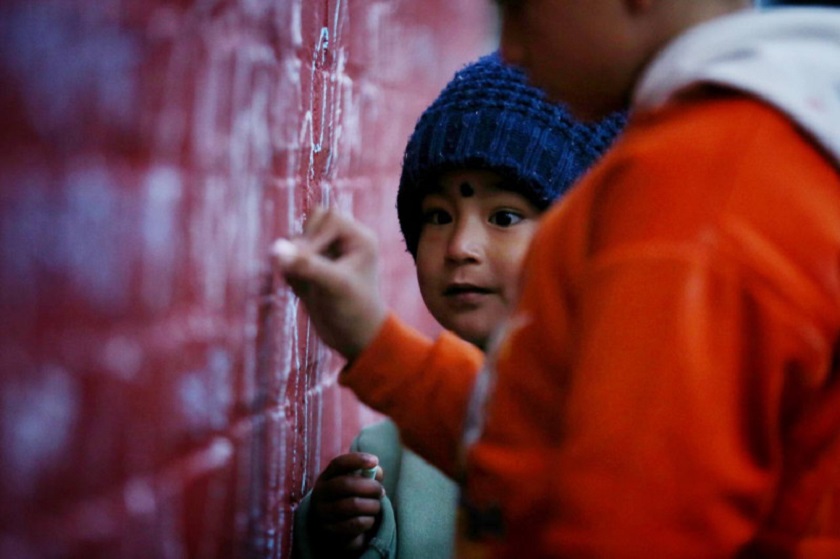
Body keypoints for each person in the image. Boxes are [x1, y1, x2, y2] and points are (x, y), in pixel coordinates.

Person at [275, 1, 840, 556]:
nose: (513, 47)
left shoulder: (694, 190)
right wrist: (374, 342)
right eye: (438, 216)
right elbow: (539, 443)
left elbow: (628, 528)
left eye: (522, 8)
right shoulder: (748, 151)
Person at [291, 52, 625, 559]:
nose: (460, 246)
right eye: (439, 215)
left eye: (505, 216)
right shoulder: (390, 454)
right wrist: (339, 531)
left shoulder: (627, 419)